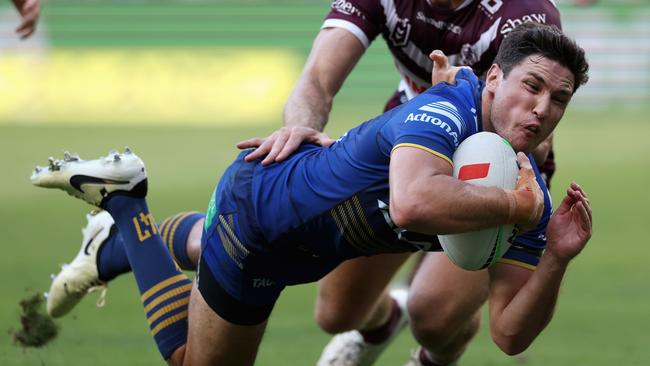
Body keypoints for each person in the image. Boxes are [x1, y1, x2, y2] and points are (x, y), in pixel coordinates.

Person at [32, 23, 591, 366]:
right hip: (260, 220)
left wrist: (556, 259)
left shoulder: (527, 186)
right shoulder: (446, 109)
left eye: (558, 99)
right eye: (531, 86)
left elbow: (509, 334)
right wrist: (516, 209)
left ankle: (108, 248)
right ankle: (128, 206)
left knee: (202, 244)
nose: (542, 109)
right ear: (494, 78)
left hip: (300, 236)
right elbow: (412, 204)